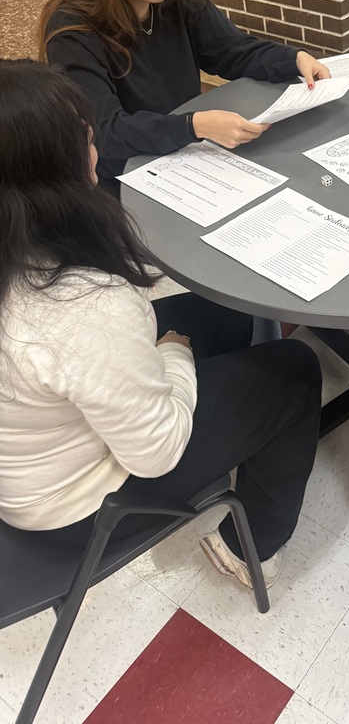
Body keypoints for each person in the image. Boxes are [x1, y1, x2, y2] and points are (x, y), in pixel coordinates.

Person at [0, 60, 322, 589]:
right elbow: (158, 451)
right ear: (56, 172)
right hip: (76, 506)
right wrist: (173, 354)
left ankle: (246, 429)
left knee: (221, 309)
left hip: (36, 447)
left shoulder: (28, 257)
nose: (96, 150)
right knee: (296, 370)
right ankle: (251, 547)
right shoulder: (83, 306)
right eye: (86, 139)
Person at [40, 0, 330, 192]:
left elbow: (233, 51)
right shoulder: (72, 33)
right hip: (125, 177)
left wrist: (294, 58)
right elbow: (107, 132)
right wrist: (195, 125)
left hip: (188, 156)